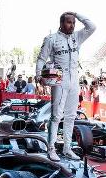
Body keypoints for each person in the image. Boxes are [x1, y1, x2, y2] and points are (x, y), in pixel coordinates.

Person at [36, 11, 96, 161]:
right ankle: (51, 148)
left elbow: (92, 26)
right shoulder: (51, 39)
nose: (72, 25)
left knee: (70, 116)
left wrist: (76, 14)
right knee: (56, 115)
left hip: (74, 79)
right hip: (59, 79)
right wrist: (38, 75)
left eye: (74, 23)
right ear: (61, 23)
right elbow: (41, 58)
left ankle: (67, 148)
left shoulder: (77, 37)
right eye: (69, 22)